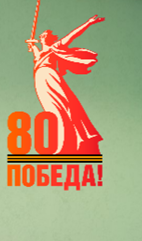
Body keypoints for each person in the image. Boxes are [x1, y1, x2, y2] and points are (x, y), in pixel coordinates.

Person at [25, 16, 104, 155]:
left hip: (51, 77)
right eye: (42, 35)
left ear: (51, 39)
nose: (43, 37)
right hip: (41, 80)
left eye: (46, 35)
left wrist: (88, 23)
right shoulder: (39, 53)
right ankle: (62, 143)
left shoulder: (56, 47)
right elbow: (36, 53)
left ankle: (72, 142)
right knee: (51, 110)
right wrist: (31, 45)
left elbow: (73, 35)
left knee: (64, 107)